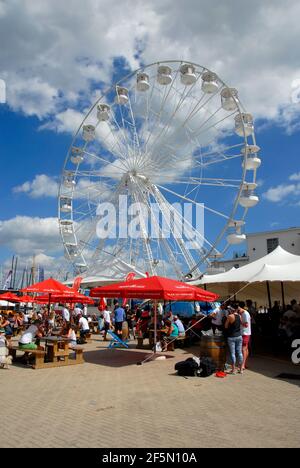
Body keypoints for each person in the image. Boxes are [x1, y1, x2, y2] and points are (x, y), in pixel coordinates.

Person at [224, 305, 243, 375]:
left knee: (232, 353)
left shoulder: (230, 316)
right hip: (239, 336)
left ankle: (233, 370)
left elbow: (225, 326)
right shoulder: (240, 316)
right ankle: (241, 369)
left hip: (231, 336)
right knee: (240, 352)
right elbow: (241, 324)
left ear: (231, 310)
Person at [238, 302, 252, 371]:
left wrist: (239, 320)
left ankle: (243, 365)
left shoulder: (245, 314)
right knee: (245, 349)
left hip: (245, 333)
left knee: (243, 349)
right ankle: (244, 363)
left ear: (240, 307)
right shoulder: (242, 313)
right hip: (243, 333)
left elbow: (246, 325)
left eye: (237, 307)